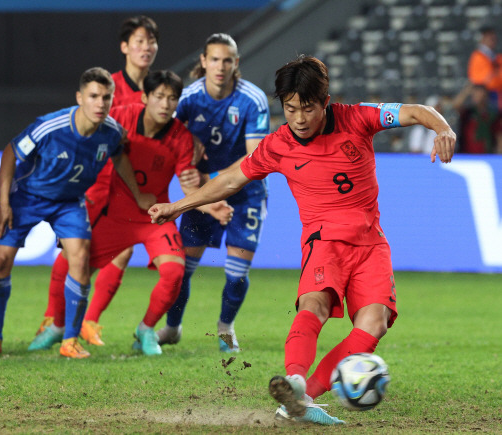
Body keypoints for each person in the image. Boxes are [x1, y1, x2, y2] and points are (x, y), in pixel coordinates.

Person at [148, 55, 455, 425]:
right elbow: (231, 179)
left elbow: (413, 111)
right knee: (315, 304)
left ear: (325, 102)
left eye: (307, 109)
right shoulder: (277, 145)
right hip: (323, 242)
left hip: (371, 243)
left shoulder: (359, 118)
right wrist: (179, 206)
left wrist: (443, 129)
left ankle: (301, 396)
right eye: (290, 109)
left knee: (375, 324)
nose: (298, 118)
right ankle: (294, 380)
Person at [28, 70, 233, 355]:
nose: (165, 105)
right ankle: (58, 327)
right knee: (66, 264)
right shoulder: (120, 118)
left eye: (172, 99)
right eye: (159, 97)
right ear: (145, 97)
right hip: (114, 214)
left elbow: (188, 185)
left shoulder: (181, 138)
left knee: (176, 271)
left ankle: (147, 329)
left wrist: (210, 205)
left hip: (155, 216)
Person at [0, 67, 146, 359]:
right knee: (1, 262)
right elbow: (10, 153)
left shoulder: (112, 132)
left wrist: (138, 194)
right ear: (80, 97)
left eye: (106, 98)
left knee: (80, 258)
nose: (100, 104)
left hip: (69, 202)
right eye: (93, 96)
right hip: (27, 198)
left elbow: (120, 157)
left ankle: (70, 340)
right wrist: (3, 204)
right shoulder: (50, 127)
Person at [33, 16, 161, 340]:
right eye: (139, 41)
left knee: (124, 250)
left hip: (130, 185)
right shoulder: (107, 87)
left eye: (151, 41)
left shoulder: (158, 92)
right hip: (97, 181)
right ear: (125, 47)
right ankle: (53, 319)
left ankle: (88, 322)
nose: (146, 48)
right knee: (74, 250)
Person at [155, 33, 270, 353]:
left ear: (236, 64)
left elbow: (256, 157)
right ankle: (173, 328)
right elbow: (168, 141)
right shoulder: (188, 99)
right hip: (202, 196)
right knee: (182, 271)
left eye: (227, 60)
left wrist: (210, 177)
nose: (220, 66)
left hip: (247, 192)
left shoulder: (253, 99)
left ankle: (225, 328)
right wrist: (189, 167)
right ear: (203, 62)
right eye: (214, 59)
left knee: (236, 274)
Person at [453, 83, 502, 154]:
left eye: (481, 94)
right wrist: (466, 91)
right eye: (476, 94)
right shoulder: (468, 112)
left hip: (487, 154)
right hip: (466, 153)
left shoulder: (493, 114)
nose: (479, 96)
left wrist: (499, 153)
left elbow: (498, 134)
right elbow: (455, 105)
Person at [468, 24, 502, 110]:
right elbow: (479, 79)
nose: (493, 39)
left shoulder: (496, 57)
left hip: (497, 93)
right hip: (487, 95)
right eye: (489, 36)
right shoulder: (478, 57)